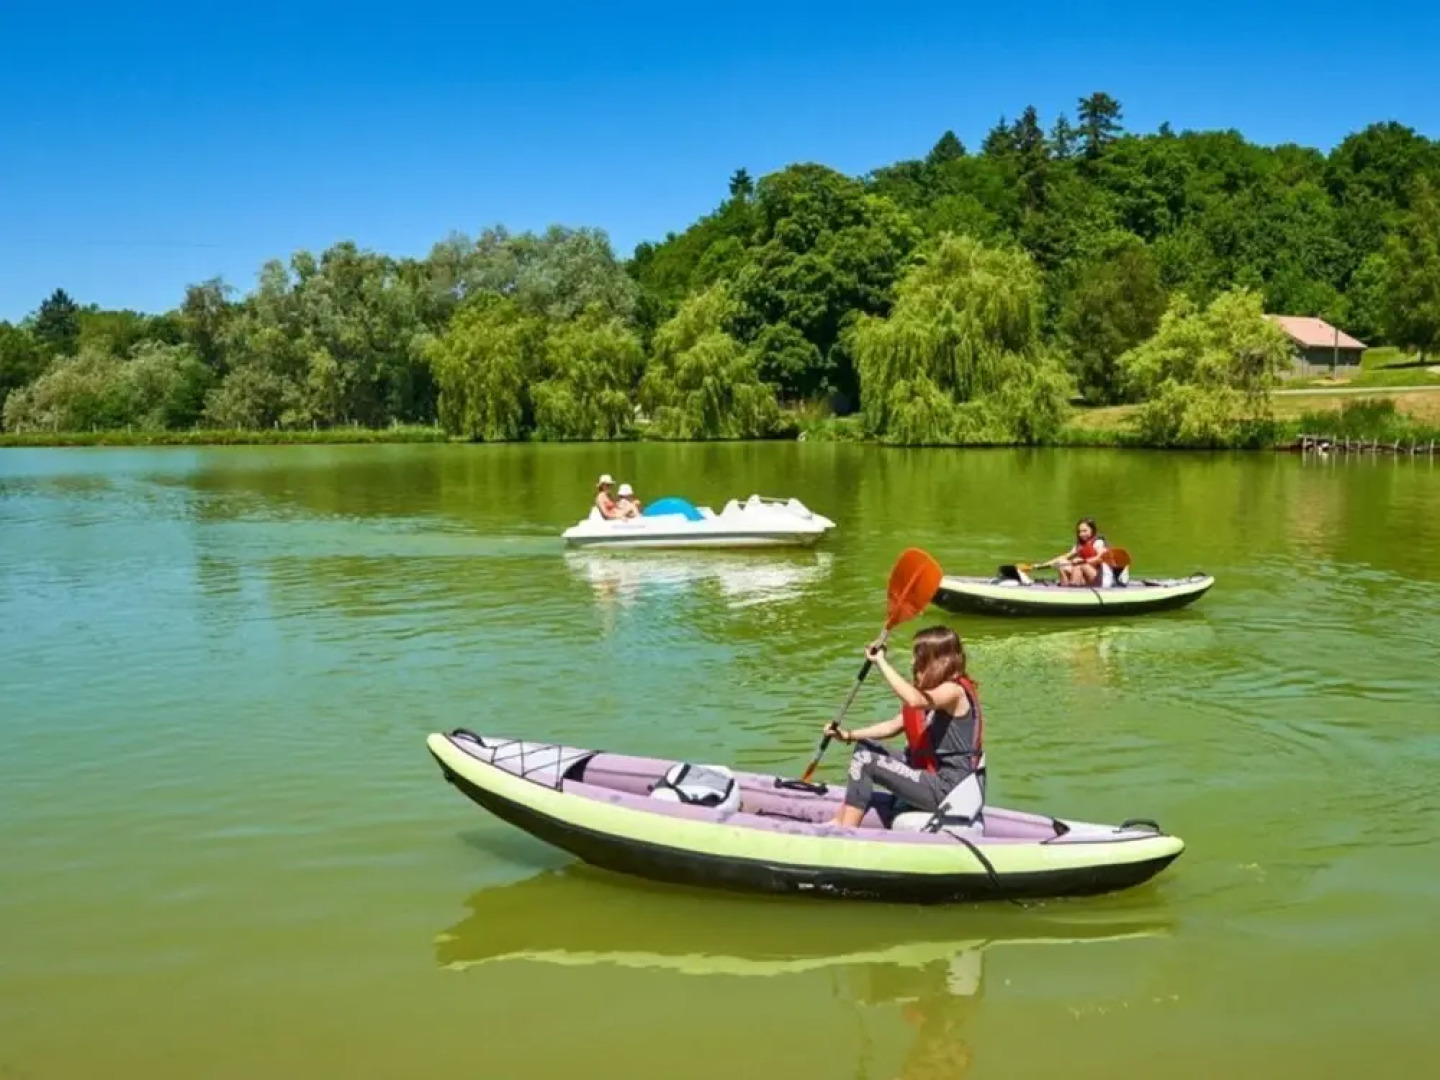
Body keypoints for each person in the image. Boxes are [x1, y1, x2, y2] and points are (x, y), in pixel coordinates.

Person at [821, 626, 983, 829]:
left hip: (948, 788)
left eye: (919, 657)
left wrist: (880, 662)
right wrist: (848, 735)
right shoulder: (934, 693)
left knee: (865, 761)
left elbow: (914, 700)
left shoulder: (954, 691)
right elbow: (893, 725)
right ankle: (840, 820)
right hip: (929, 773)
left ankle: (846, 833)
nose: (913, 663)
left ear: (941, 661)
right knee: (865, 747)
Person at [1042, 517, 1107, 587]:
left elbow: (1100, 558)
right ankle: (1064, 588)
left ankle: (1073, 587)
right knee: (1061, 562)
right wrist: (1042, 565)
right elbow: (1063, 557)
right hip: (1084, 576)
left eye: (1085, 531)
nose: (1081, 534)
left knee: (1078, 562)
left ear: (1092, 530)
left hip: (1097, 578)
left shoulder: (1098, 542)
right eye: (1079, 531)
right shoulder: (1080, 545)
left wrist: (1083, 561)